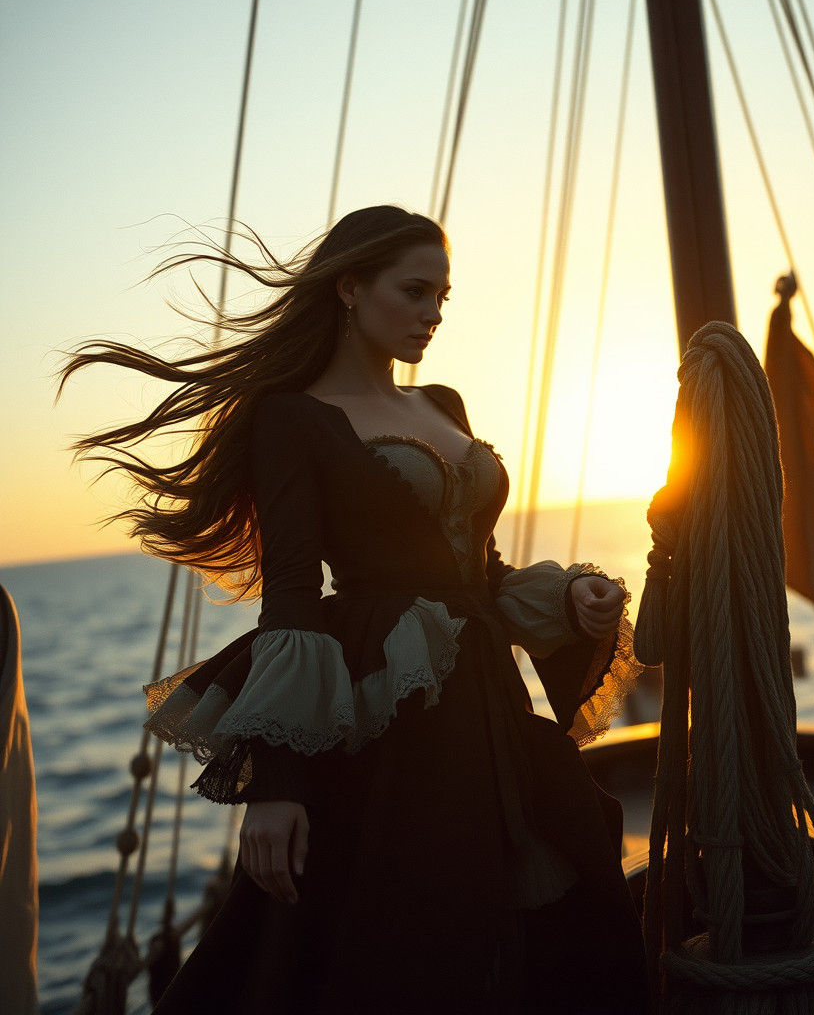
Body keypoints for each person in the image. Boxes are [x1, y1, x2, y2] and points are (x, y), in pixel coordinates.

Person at [58, 205, 649, 1013]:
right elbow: (294, 595)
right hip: (391, 717)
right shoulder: (291, 419)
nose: (432, 314)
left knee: (559, 896)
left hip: (487, 704)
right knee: (404, 937)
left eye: (442, 296)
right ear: (349, 287)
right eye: (413, 292)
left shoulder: (444, 402)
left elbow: (482, 569)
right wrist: (277, 784)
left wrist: (572, 593)